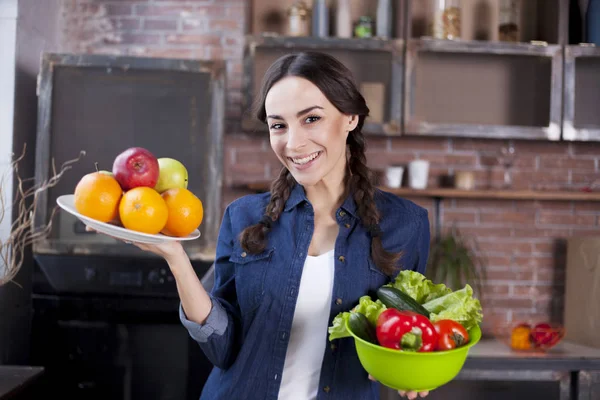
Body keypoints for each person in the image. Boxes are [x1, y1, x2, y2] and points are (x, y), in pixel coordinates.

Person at [94, 51, 431, 400]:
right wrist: (176, 259)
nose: (293, 143)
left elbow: (405, 337)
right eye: (278, 125)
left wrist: (413, 369)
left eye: (311, 119)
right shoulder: (243, 217)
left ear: (350, 118)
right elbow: (222, 349)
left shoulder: (405, 224)